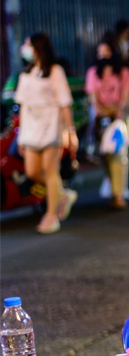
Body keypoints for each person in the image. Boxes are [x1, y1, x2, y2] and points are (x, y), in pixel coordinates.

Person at [14, 33, 78, 234]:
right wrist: (21, 135)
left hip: (51, 126)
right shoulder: (26, 73)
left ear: (38, 47)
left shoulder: (55, 71)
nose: (24, 49)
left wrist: (70, 130)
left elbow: (65, 103)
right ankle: (62, 194)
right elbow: (23, 106)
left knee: (50, 171)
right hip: (31, 129)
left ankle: (51, 216)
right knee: (32, 171)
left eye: (28, 45)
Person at [85, 33, 129, 209]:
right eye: (100, 52)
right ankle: (114, 187)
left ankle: (119, 194)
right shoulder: (93, 73)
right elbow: (93, 99)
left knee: (119, 155)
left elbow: (126, 97)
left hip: (120, 121)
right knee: (106, 156)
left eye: (106, 52)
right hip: (101, 121)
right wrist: (104, 111)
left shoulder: (124, 72)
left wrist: (118, 112)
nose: (102, 56)